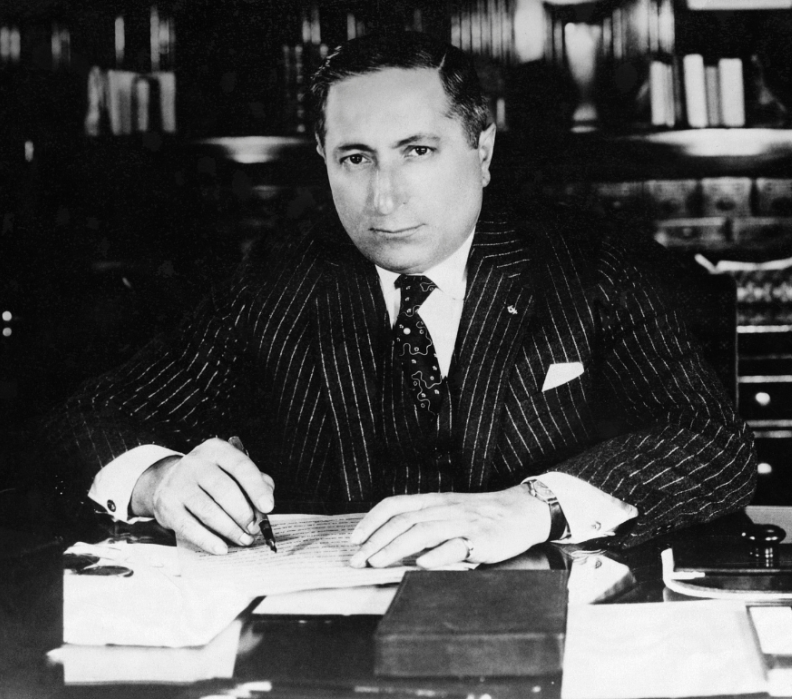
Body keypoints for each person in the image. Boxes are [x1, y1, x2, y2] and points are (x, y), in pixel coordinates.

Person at [46, 32, 756, 568]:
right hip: (326, 644)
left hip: (548, 631)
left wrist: (532, 505)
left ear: (481, 150)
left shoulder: (589, 265)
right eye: (356, 158)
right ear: (324, 158)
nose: (383, 198)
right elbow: (96, 413)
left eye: (417, 151)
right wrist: (158, 479)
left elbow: (714, 443)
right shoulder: (272, 282)